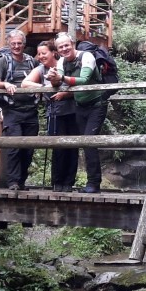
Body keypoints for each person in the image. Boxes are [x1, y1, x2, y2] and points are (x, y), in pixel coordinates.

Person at [48, 33, 108, 194]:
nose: (64, 49)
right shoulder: (61, 61)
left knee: (89, 141)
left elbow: (84, 79)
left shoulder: (86, 57)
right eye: (61, 47)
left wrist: (61, 77)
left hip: (97, 105)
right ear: (57, 50)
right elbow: (59, 84)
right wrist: (53, 78)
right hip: (80, 106)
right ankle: (92, 181)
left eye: (66, 45)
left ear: (72, 44)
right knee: (84, 142)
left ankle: (93, 183)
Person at [22, 40, 78, 193]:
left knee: (73, 147)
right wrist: (44, 87)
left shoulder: (65, 64)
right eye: (39, 54)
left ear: (53, 53)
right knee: (58, 147)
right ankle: (57, 182)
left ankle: (69, 182)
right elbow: (25, 83)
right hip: (54, 112)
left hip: (72, 110)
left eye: (43, 53)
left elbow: (77, 84)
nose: (40, 56)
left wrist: (65, 93)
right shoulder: (41, 69)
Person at [0, 30, 39, 192]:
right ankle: (12, 182)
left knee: (28, 149)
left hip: (31, 110)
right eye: (13, 44)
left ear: (24, 44)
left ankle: (22, 181)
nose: (16, 46)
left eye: (19, 43)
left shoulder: (31, 61)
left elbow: (40, 77)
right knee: (14, 147)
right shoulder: (3, 61)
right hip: (12, 110)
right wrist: (5, 84)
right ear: (9, 44)